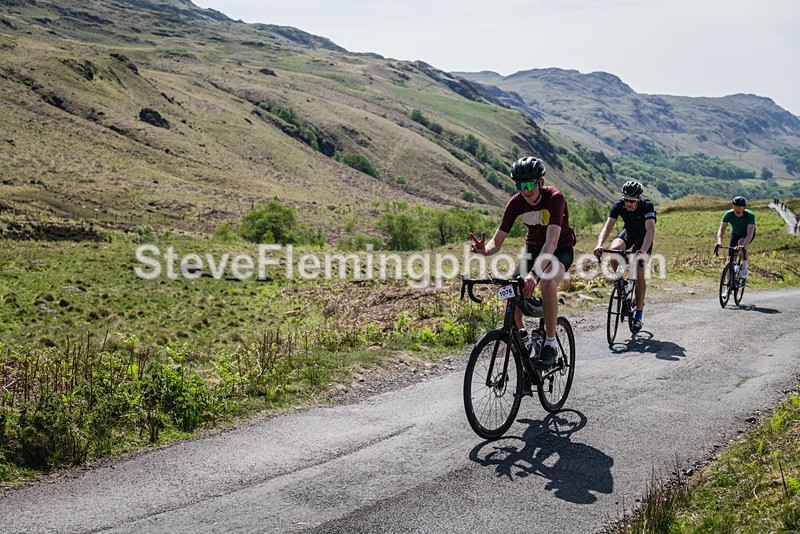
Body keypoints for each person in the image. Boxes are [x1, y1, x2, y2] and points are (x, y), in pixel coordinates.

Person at [470, 156, 576, 368]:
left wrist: (534, 275)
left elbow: (552, 241)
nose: (526, 191)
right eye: (520, 186)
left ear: (541, 183)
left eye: (530, 185)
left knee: (546, 284)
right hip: (533, 250)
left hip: (559, 249)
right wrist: (486, 250)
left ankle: (550, 343)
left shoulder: (555, 198)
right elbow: (497, 241)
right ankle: (524, 339)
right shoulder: (516, 203)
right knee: (510, 289)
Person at [593, 180, 656, 333]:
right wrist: (599, 244)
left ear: (638, 199)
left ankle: (639, 315)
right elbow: (607, 227)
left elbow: (650, 231)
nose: (628, 203)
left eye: (632, 201)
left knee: (639, 272)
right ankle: (623, 284)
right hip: (628, 234)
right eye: (626, 199)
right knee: (614, 250)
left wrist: (643, 251)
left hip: (644, 239)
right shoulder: (619, 205)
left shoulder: (647, 206)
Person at [715, 196, 755, 294]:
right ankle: (728, 286)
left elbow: (750, 233)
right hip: (735, 235)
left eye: (740, 208)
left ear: (744, 208)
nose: (738, 209)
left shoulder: (750, 215)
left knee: (741, 244)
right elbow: (721, 229)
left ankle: (744, 265)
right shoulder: (728, 214)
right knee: (730, 262)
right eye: (736, 207)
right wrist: (719, 242)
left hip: (746, 234)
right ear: (733, 206)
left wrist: (744, 246)